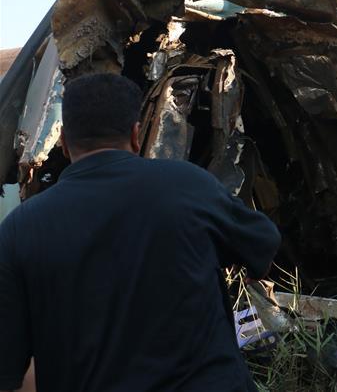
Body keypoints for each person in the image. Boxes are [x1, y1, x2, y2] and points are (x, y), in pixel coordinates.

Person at [0, 73, 281, 392]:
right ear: (135, 135)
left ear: (63, 142)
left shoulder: (19, 230)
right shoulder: (189, 186)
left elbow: (8, 371)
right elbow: (263, 245)